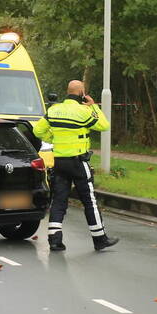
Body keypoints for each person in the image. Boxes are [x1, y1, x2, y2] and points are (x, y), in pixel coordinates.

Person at [33, 80, 118, 252]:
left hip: (59, 163)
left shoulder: (53, 110)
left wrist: (54, 139)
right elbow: (104, 125)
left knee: (58, 200)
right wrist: (93, 106)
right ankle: (100, 239)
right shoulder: (83, 110)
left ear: (67, 91)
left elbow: (38, 131)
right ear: (82, 93)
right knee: (90, 201)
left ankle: (55, 241)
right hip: (78, 163)